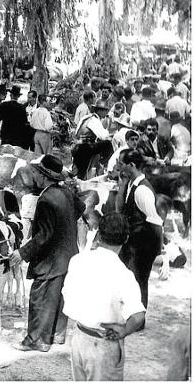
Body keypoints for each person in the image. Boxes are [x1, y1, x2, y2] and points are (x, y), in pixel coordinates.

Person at [10, 155, 84, 352]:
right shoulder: (66, 192)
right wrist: (65, 223)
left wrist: (22, 253)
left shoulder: (45, 199)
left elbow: (44, 235)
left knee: (41, 296)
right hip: (69, 254)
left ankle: (38, 340)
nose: (33, 174)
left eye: (36, 171)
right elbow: (81, 207)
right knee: (58, 296)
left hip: (52, 258)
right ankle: (57, 335)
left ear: (43, 176)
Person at [62, 213, 146, 381]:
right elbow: (138, 316)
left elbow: (66, 293)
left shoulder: (77, 260)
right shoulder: (123, 274)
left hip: (79, 337)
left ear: (99, 234)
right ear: (126, 238)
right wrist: (124, 330)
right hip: (103, 344)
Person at [115, 150, 164, 311]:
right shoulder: (130, 183)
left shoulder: (143, 190)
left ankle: (138, 320)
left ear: (132, 165)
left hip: (144, 244)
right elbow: (120, 209)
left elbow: (156, 221)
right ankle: (129, 315)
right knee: (127, 280)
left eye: (122, 164)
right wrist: (122, 186)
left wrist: (159, 251)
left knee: (139, 281)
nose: (119, 167)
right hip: (132, 242)